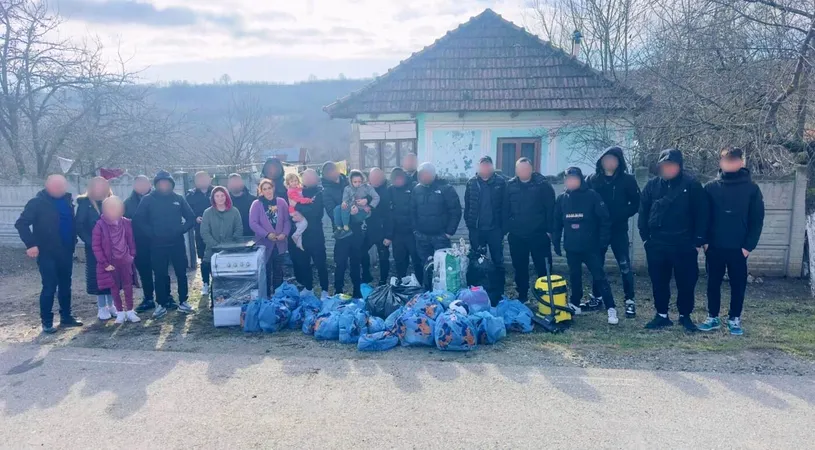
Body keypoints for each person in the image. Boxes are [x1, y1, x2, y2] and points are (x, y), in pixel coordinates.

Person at [638, 149, 708, 332]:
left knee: (686, 283)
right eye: (664, 165)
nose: (667, 169)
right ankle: (661, 315)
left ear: (679, 166)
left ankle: (685, 316)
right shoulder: (652, 186)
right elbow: (643, 212)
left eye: (671, 165)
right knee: (659, 282)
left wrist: (697, 242)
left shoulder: (692, 185)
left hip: (684, 245)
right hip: (657, 245)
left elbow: (702, 214)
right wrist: (646, 239)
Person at [699, 148, 765, 336]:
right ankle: (712, 317)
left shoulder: (752, 189)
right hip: (714, 247)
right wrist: (705, 242)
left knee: (738, 285)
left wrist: (748, 246)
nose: (730, 163)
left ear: (741, 162)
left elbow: (757, 219)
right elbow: (703, 216)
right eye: (727, 160)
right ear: (721, 162)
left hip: (739, 248)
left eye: (734, 160)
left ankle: (734, 319)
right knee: (713, 284)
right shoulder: (711, 188)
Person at [15, 174, 83, 333]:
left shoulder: (68, 201)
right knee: (49, 286)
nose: (59, 189)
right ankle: (47, 321)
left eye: (61, 186)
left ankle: (66, 317)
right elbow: (21, 224)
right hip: (47, 252)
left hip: (66, 251)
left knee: (66, 285)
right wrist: (31, 244)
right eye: (55, 186)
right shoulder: (37, 203)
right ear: (47, 185)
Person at [552, 167, 618, 324]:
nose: (571, 182)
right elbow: (556, 222)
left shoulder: (592, 196)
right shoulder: (562, 199)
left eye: (574, 179)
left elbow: (604, 219)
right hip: (572, 247)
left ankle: (611, 308)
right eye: (568, 179)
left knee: (599, 277)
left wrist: (602, 242)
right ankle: (575, 304)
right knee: (574, 276)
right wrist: (556, 242)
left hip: (591, 248)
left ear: (580, 180)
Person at [134, 170, 196, 319]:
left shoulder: (178, 199)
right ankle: (161, 304)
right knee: (160, 274)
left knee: (181, 273)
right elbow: (138, 220)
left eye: (166, 182)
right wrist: (152, 233)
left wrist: (180, 230)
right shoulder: (148, 199)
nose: (164, 185)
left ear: (171, 184)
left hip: (177, 243)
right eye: (161, 183)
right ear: (156, 184)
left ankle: (183, 301)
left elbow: (191, 218)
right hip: (157, 244)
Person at [586, 146, 640, 317]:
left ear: (619, 162)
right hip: (598, 231)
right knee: (596, 265)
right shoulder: (592, 180)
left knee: (624, 266)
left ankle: (629, 301)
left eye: (613, 159)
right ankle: (596, 297)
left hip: (618, 230)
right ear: (601, 162)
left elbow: (637, 203)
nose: (609, 162)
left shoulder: (628, 180)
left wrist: (621, 214)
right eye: (606, 159)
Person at [503, 158, 556, 302]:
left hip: (539, 235)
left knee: (543, 267)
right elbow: (504, 209)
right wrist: (508, 227)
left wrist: (550, 230)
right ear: (516, 171)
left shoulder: (542, 185)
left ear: (531, 169)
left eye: (526, 169)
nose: (523, 172)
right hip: (517, 236)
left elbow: (551, 209)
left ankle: (546, 297)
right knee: (520, 267)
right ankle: (523, 295)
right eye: (520, 169)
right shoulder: (510, 186)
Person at [92, 196, 140, 324]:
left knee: (128, 286)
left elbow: (131, 241)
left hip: (126, 260)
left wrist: (132, 256)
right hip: (111, 263)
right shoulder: (100, 225)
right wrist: (104, 263)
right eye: (110, 208)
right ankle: (119, 312)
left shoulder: (126, 223)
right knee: (114, 288)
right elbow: (96, 246)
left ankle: (130, 310)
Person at [124, 175, 168, 313]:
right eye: (139, 184)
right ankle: (148, 298)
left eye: (145, 183)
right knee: (144, 271)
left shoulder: (160, 198)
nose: (142, 186)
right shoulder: (127, 203)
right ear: (134, 186)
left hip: (159, 241)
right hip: (139, 242)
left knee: (161, 271)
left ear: (150, 184)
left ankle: (166, 296)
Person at [464, 156, 506, 291]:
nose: (485, 168)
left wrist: (503, 227)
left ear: (492, 167)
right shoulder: (471, 183)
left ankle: (499, 289)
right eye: (482, 165)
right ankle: (477, 288)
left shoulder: (501, 182)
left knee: (498, 260)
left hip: (495, 229)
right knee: (476, 260)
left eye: (488, 165)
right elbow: (468, 205)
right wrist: (470, 224)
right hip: (477, 230)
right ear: (478, 167)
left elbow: (506, 206)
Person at [76, 176, 115, 321]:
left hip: (112, 247)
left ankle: (112, 305)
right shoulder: (85, 204)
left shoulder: (112, 200)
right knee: (98, 276)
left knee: (112, 276)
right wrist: (92, 242)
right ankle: (101, 307)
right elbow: (79, 226)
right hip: (95, 248)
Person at [322, 161, 363, 298]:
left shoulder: (349, 183)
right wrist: (348, 214)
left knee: (356, 262)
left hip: (356, 229)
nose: (333, 173)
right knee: (340, 263)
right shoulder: (326, 191)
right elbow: (331, 212)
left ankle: (358, 290)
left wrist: (360, 208)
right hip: (342, 232)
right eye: (329, 172)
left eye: (333, 170)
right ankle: (338, 291)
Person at [411, 162, 462, 264]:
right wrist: (415, 230)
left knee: (443, 265)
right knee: (425, 265)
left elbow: (455, 211)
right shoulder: (416, 189)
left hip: (441, 236)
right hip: (422, 237)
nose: (424, 177)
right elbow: (412, 211)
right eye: (421, 174)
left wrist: (449, 232)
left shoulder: (446, 189)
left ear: (433, 174)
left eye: (427, 174)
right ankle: (425, 280)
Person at [290, 169, 330, 297]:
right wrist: (298, 207)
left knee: (320, 264)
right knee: (304, 263)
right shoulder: (299, 191)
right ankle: (308, 288)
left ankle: (324, 290)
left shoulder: (320, 192)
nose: (306, 179)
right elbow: (291, 206)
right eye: (304, 177)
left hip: (316, 234)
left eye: (310, 177)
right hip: (302, 235)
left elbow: (315, 212)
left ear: (316, 178)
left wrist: (297, 206)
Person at [249, 179, 291, 295]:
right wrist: (267, 234)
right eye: (265, 189)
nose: (268, 191)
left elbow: (287, 221)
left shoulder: (281, 202)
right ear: (261, 191)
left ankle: (278, 296)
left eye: (269, 188)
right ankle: (266, 296)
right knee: (265, 271)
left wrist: (284, 233)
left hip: (279, 243)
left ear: (273, 188)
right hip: (264, 244)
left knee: (278, 271)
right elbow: (253, 223)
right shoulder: (256, 204)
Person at [201, 186, 243, 296]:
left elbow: (239, 229)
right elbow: (204, 232)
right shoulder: (207, 213)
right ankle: (212, 294)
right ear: (213, 198)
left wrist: (232, 245)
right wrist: (215, 245)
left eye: (222, 195)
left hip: (230, 250)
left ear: (227, 197)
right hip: (212, 249)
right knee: (212, 273)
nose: (220, 198)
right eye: (217, 196)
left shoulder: (234, 211)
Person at [388, 167, 424, 282]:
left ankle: (420, 282)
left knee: (416, 259)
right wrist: (389, 234)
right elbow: (388, 213)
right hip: (397, 233)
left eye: (399, 179)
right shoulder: (390, 190)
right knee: (399, 260)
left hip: (412, 232)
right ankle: (402, 282)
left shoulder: (414, 187)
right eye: (395, 180)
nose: (397, 182)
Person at [360, 168, 392, 285]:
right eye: (373, 178)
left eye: (377, 178)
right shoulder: (366, 190)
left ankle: (383, 280)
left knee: (383, 257)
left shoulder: (387, 192)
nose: (375, 180)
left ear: (382, 178)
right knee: (361, 251)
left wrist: (389, 235)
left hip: (382, 231)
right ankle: (366, 275)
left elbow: (390, 216)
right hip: (368, 230)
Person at [186, 171, 214, 295]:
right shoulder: (190, 196)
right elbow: (187, 213)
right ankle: (206, 283)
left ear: (210, 179)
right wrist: (195, 218)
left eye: (205, 178)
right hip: (200, 232)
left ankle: (217, 281)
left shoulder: (217, 192)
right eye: (199, 179)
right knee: (204, 258)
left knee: (217, 257)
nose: (202, 181)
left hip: (217, 230)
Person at [334, 169, 380, 239]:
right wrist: (344, 203)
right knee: (338, 208)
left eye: (359, 182)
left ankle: (346, 228)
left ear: (363, 180)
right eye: (355, 182)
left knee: (345, 210)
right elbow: (345, 199)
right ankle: (339, 227)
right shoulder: (348, 189)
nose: (357, 184)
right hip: (351, 207)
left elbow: (376, 197)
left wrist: (370, 206)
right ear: (351, 181)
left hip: (363, 210)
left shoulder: (367, 188)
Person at [285, 172, 311, 251]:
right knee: (304, 223)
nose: (294, 183)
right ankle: (296, 235)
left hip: (295, 211)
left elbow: (301, 190)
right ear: (288, 183)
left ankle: (299, 244)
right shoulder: (290, 191)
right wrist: (308, 200)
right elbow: (298, 199)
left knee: (300, 226)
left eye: (296, 180)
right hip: (294, 211)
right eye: (292, 181)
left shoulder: (296, 189)